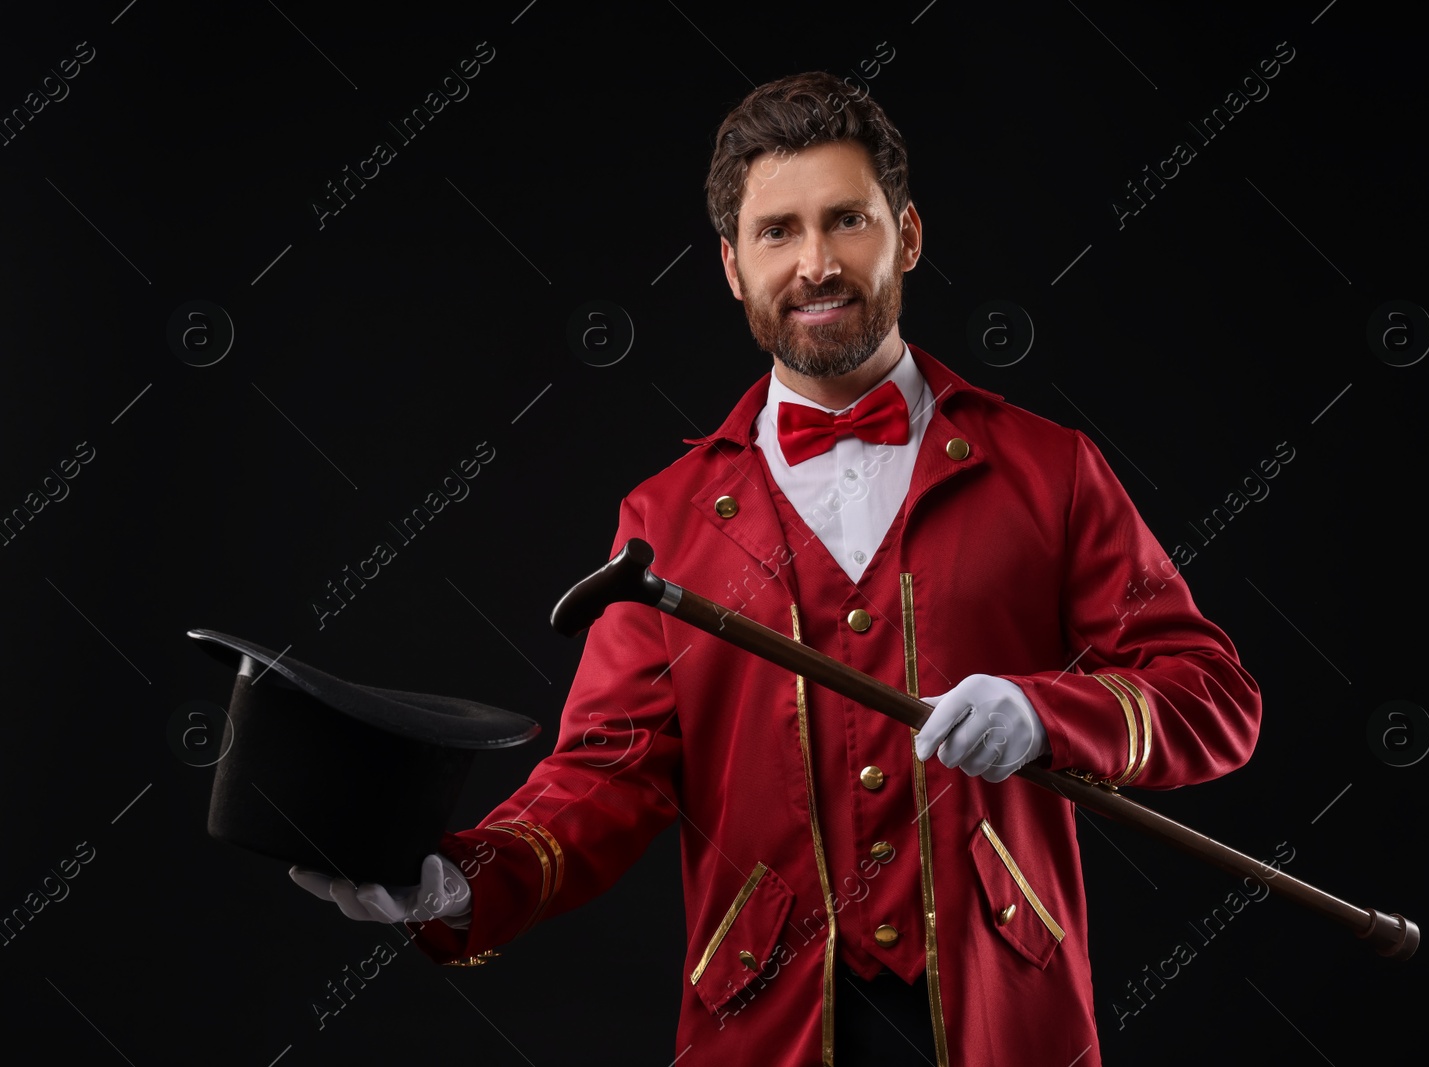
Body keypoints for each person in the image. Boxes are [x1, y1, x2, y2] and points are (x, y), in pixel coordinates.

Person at [291, 70, 1262, 1065]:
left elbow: (1212, 696)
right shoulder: (660, 517)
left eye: (846, 220)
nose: (815, 264)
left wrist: (1047, 712)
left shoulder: (1050, 471)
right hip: (761, 1024)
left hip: (1004, 1016)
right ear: (729, 264)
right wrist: (458, 881)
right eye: (776, 231)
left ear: (908, 235)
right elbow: (606, 774)